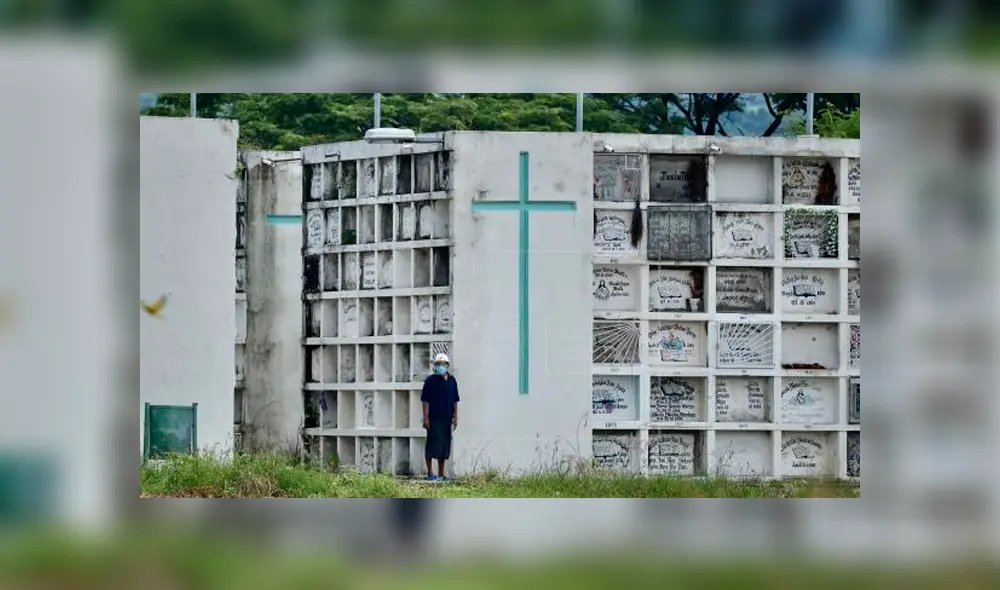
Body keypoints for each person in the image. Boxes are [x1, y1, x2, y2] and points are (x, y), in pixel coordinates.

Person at [421, 353, 459, 481]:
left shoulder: (452, 380)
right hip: (433, 418)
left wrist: (456, 416)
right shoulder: (430, 381)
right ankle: (430, 473)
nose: (440, 366)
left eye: (442, 364)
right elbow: (425, 400)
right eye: (438, 364)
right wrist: (426, 418)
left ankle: (442, 473)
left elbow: (455, 400)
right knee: (432, 445)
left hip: (446, 418)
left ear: (447, 365)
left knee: (444, 446)